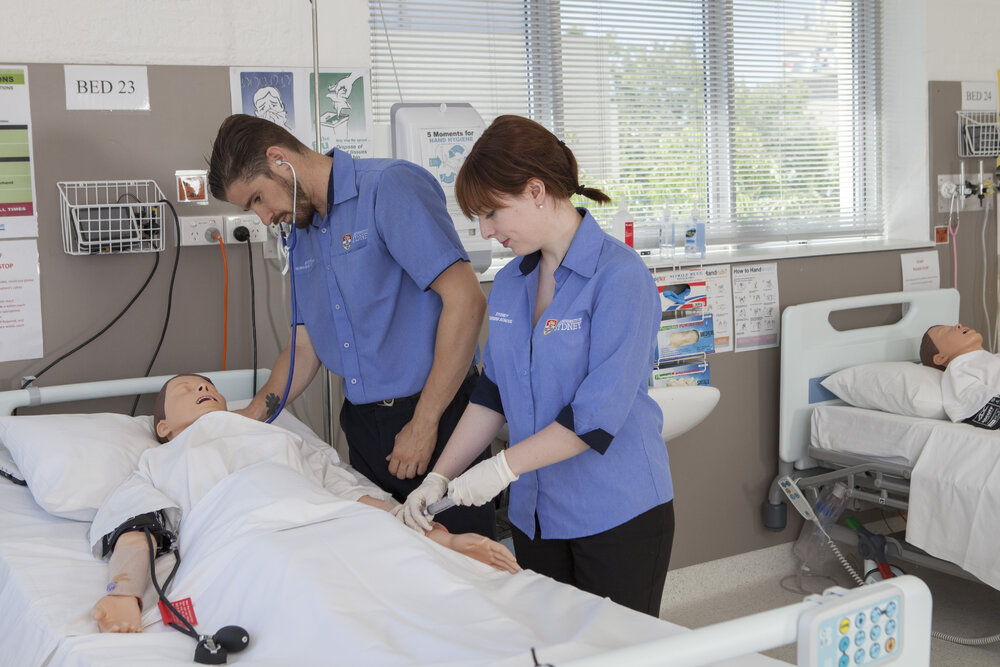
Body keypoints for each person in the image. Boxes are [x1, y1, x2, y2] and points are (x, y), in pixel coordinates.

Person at [397, 115, 675, 616]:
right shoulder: (509, 284)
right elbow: (494, 395)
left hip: (616, 513)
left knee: (616, 654)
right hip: (535, 518)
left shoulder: (620, 278)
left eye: (492, 213)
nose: (485, 231)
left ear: (535, 190)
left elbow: (594, 416)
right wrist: (438, 477)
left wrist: (500, 468)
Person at [207, 114, 493, 538]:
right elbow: (304, 348)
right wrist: (247, 417)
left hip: (436, 415)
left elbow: (466, 301)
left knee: (465, 572)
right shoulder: (301, 230)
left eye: (257, 199)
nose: (265, 217)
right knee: (385, 565)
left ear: (278, 159)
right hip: (364, 428)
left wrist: (424, 422)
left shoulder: (389, 187)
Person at [91, 374, 518, 633]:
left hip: (327, 517)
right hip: (246, 531)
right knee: (314, 590)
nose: (203, 387)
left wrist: (439, 538)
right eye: (187, 389)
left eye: (209, 385)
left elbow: (347, 491)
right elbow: (137, 529)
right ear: (163, 426)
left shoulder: (279, 436)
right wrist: (124, 592)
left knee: (404, 573)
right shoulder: (157, 459)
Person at [920, 323, 1000, 428]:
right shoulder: (958, 367)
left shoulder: (991, 358)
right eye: (944, 332)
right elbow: (976, 401)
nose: (958, 325)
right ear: (941, 358)